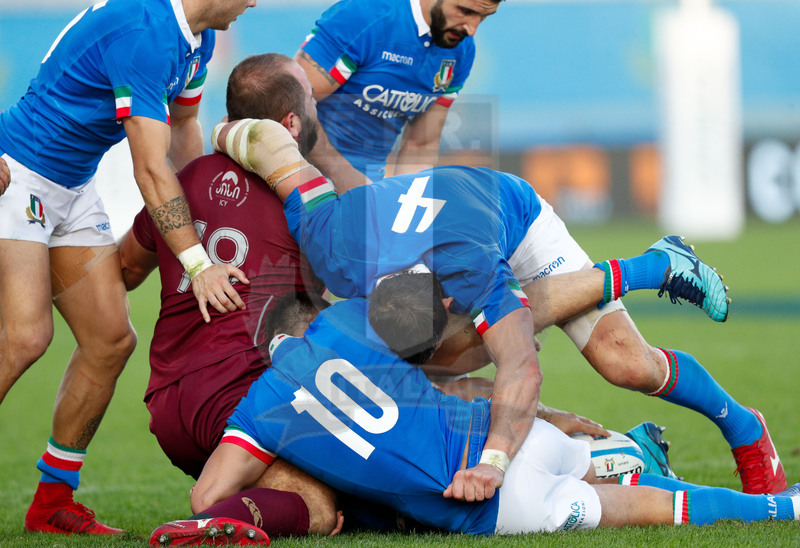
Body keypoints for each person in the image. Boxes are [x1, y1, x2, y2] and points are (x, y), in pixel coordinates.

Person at [210, 118, 786, 496]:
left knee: (625, 366)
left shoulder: (472, 271)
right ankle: (621, 452)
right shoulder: (334, 242)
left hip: (515, 220)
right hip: (440, 230)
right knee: (425, 376)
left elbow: (519, 367)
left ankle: (664, 289)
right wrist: (218, 130)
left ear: (446, 298)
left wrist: (494, 465)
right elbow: (270, 141)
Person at [150, 287, 800, 544]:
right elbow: (450, 377)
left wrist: (260, 466)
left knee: (645, 511)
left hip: (495, 507)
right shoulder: (351, 322)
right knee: (610, 469)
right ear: (312, 317)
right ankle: (780, 505)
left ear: (269, 352)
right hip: (512, 439)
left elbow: (209, 492)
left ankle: (779, 509)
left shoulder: (260, 407)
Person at [0, 0, 255, 535]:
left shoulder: (197, 37)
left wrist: (202, 218)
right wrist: (196, 261)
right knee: (25, 338)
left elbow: (184, 127)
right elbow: (147, 166)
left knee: (110, 340)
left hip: (72, 188)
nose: (256, 2)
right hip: (19, 177)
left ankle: (51, 503)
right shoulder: (148, 32)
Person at [295, 0, 503, 187]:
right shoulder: (363, 15)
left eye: (483, 17)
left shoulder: (462, 50)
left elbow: (420, 144)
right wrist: (341, 173)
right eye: (465, 11)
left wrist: (409, 207)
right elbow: (293, 107)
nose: (472, 28)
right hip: (298, 175)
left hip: (364, 187)